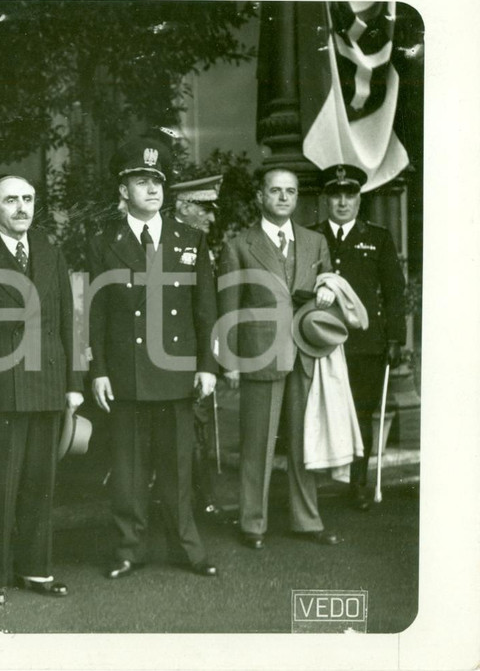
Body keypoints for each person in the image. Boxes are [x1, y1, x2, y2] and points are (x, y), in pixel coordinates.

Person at [87, 139, 219, 581]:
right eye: (142, 181)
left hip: (178, 369)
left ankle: (187, 547)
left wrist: (207, 365)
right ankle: (129, 548)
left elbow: (205, 310)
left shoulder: (190, 239)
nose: (153, 189)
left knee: (179, 467)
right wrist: (99, 370)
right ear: (123, 189)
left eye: (158, 181)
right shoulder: (105, 241)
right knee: (127, 470)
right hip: (126, 371)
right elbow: (98, 312)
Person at [0, 174, 83, 606]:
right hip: (0, 390)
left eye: (28, 199)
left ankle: (36, 569)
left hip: (47, 383)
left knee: (39, 483)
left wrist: (73, 384)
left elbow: (68, 318)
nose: (21, 207)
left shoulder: (50, 250)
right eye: (11, 200)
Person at [219, 167, 340, 551]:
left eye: (290, 191)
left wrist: (328, 291)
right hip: (260, 354)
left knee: (305, 442)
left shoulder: (315, 242)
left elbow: (329, 287)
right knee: (257, 445)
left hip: (306, 353)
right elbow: (228, 308)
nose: (284, 198)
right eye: (275, 191)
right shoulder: (239, 245)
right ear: (261, 196)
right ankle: (253, 522)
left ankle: (307, 520)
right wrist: (230, 361)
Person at [314, 164, 406, 511]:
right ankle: (317, 485)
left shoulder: (377, 237)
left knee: (362, 412)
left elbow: (395, 291)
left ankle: (359, 483)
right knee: (322, 411)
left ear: (358, 199)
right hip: (321, 341)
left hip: (366, 344)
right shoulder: (312, 236)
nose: (342, 202)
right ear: (325, 199)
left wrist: (396, 338)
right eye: (335, 195)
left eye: (349, 195)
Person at [170, 174, 224, 517]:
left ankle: (199, 499)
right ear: (183, 206)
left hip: (196, 352)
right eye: (205, 208)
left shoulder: (200, 243)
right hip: (170, 353)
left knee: (198, 426)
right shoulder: (162, 240)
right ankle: (186, 501)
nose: (212, 216)